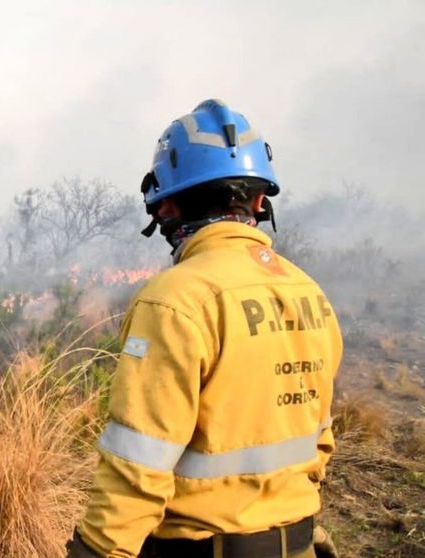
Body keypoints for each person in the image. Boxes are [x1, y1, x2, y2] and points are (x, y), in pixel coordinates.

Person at [66, 100, 343, 558]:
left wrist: (95, 552)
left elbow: (137, 467)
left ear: (167, 206)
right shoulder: (309, 291)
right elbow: (320, 443)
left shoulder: (174, 300)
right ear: (259, 202)